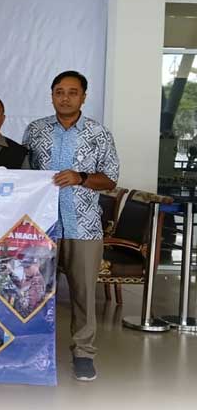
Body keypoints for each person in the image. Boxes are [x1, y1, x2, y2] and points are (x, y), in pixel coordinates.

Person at [23, 70, 120, 381]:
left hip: (84, 227)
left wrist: (81, 177)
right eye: (59, 92)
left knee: (83, 295)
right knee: (34, 293)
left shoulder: (98, 133)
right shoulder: (35, 131)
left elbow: (110, 179)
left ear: (83, 97)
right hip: (43, 227)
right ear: (52, 95)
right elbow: (24, 175)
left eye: (72, 92)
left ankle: (83, 353)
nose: (65, 98)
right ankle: (34, 350)